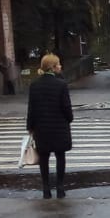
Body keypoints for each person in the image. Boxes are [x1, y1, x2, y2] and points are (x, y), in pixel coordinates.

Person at [26, 53, 74, 199]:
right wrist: (69, 119)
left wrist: (30, 127)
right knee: (60, 156)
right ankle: (60, 187)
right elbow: (66, 107)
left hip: (42, 128)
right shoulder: (61, 85)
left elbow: (31, 109)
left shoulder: (34, 85)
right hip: (59, 127)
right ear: (53, 68)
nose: (60, 66)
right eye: (58, 64)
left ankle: (46, 189)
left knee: (44, 158)